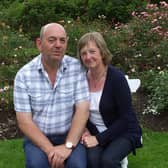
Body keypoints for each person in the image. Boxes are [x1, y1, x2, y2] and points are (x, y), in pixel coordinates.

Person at [13, 23, 90, 168]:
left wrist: (67, 146)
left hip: (70, 135)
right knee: (37, 165)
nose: (58, 45)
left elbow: (82, 110)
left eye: (62, 40)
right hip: (38, 138)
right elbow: (24, 121)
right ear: (39, 44)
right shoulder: (24, 75)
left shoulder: (76, 69)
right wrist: (51, 151)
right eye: (52, 40)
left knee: (77, 166)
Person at [77, 32, 142, 168]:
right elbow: (76, 109)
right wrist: (84, 129)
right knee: (92, 161)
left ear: (102, 52)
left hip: (123, 131)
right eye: (84, 53)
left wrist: (98, 139)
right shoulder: (81, 80)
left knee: (108, 161)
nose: (88, 57)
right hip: (94, 132)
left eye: (92, 51)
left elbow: (126, 118)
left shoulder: (116, 79)